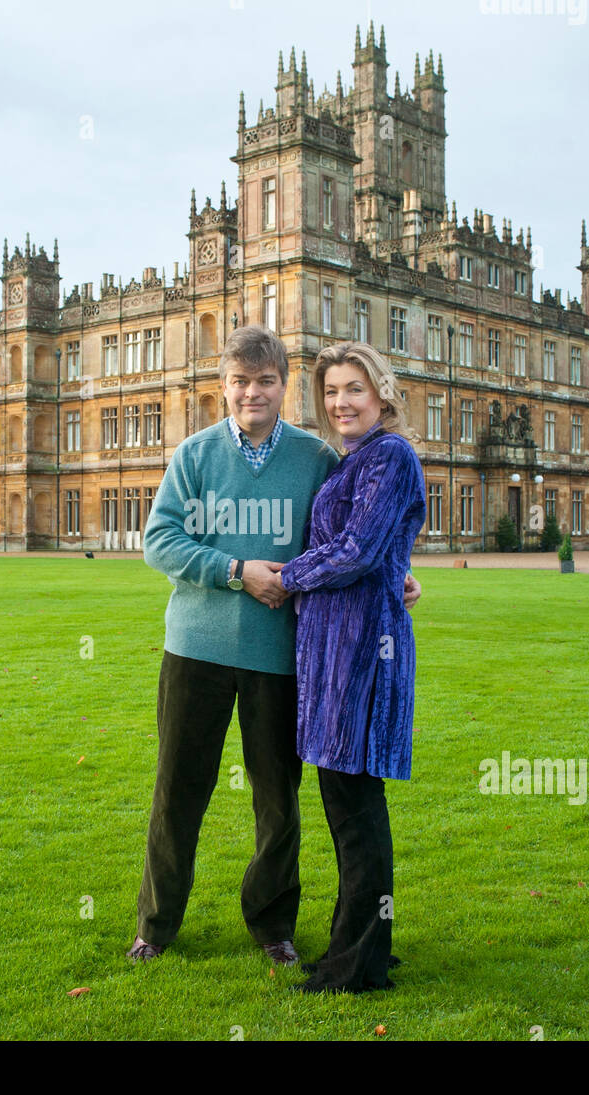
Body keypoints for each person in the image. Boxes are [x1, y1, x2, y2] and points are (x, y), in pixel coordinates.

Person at [129, 325, 421, 966]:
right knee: (178, 793)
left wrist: (391, 569)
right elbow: (159, 541)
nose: (251, 393)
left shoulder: (316, 459)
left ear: (285, 387)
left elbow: (348, 531)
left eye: (265, 381)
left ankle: (271, 925)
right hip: (196, 649)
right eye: (239, 381)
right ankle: (157, 923)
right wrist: (236, 571)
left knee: (277, 802)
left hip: (281, 656)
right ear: (223, 386)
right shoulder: (196, 455)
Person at [269, 341, 426, 993]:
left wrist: (287, 577)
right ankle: (358, 944)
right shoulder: (354, 459)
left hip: (365, 651)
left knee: (357, 808)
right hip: (337, 649)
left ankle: (357, 962)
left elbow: (359, 549)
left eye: (353, 389)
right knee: (348, 806)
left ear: (381, 393)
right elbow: (379, 549)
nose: (340, 403)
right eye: (331, 391)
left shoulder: (389, 455)